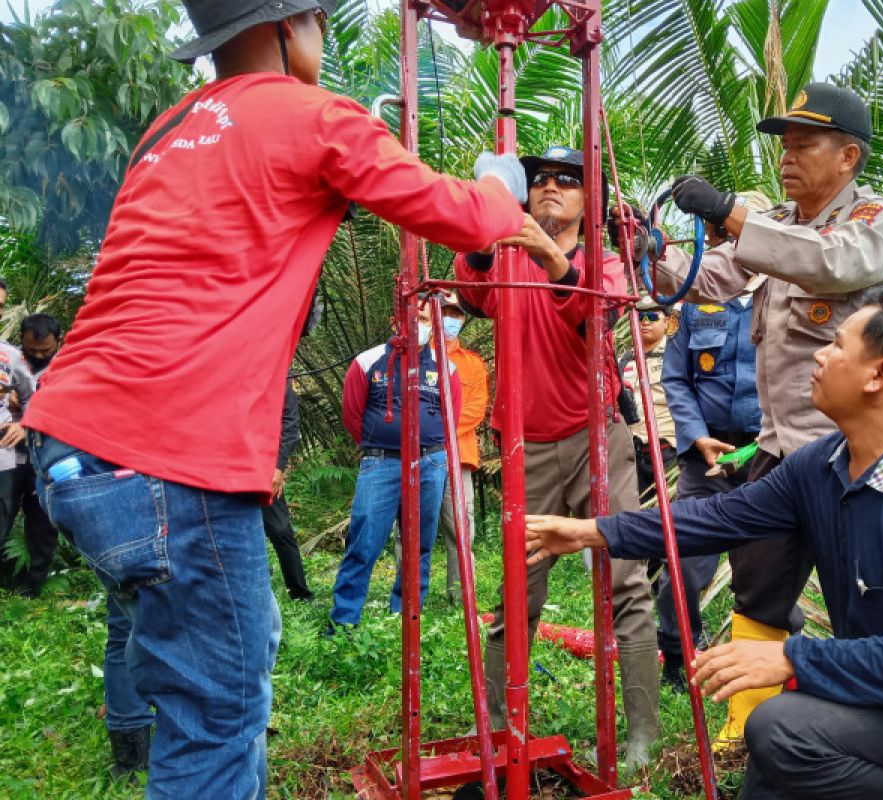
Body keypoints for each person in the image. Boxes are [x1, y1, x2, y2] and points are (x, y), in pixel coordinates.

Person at [19, 0, 527, 794]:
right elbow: (454, 214)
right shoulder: (312, 113)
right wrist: (504, 193)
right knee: (217, 721)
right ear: (290, 28)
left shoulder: (166, 131)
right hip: (173, 457)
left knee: (208, 680)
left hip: (73, 449)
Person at [525, 287, 883, 800]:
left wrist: (792, 659)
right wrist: (591, 531)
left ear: (879, 374)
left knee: (783, 727)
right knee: (778, 750)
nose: (819, 355)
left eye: (838, 344)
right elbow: (718, 516)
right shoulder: (822, 464)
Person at [647, 81, 883, 741]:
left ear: (848, 156)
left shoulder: (874, 221)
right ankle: (749, 724)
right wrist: (650, 247)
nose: (787, 159)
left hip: (854, 452)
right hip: (781, 446)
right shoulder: (778, 227)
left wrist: (732, 213)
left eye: (804, 145)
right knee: (758, 583)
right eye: (784, 147)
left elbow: (824, 264)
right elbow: (707, 281)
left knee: (870, 594)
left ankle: (873, 724)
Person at [455, 145, 660, 770]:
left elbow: (593, 313)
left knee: (627, 586)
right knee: (519, 590)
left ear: (587, 202)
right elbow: (471, 290)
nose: (550, 189)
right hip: (526, 447)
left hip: (598, 440)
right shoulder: (508, 259)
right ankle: (492, 724)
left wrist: (551, 258)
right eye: (540, 179)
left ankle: (643, 737)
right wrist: (489, 231)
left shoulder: (603, 262)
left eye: (568, 182)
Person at [654, 276, 762, 692]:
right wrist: (697, 435)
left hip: (765, 458)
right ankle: (678, 657)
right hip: (705, 459)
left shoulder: (785, 297)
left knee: (764, 567)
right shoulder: (694, 305)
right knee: (682, 564)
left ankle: (758, 666)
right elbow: (676, 379)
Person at [329, 301, 461, 628]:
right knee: (363, 543)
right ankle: (344, 622)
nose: (421, 324)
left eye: (427, 319)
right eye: (414, 318)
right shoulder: (367, 362)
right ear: (395, 321)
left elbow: (451, 417)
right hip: (381, 465)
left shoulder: (447, 368)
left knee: (419, 548)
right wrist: (386, 441)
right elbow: (352, 416)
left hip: (430, 463)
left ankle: (406, 619)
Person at [435, 292, 489, 606]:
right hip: (419, 456)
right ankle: (408, 597)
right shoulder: (416, 356)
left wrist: (437, 434)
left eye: (456, 314)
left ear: (463, 318)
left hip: (459, 455)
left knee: (461, 526)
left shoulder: (472, 364)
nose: (450, 319)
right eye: (445, 312)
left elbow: (475, 408)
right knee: (411, 527)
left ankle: (461, 596)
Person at [620, 296, 678, 501]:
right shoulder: (624, 359)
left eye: (652, 316)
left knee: (671, 513)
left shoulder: (677, 357)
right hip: (633, 454)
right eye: (639, 316)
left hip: (668, 453)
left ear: (667, 321)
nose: (645, 322)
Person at [263, 380, 315, 601]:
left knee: (281, 530)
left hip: (266, 467)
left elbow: (290, 425)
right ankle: (257, 592)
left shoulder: (280, 376)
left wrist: (278, 467)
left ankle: (300, 593)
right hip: (231, 466)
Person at [0, 310, 37, 593]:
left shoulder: (9, 356)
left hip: (4, 458)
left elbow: (31, 396)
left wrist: (25, 424)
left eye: (1, 305)